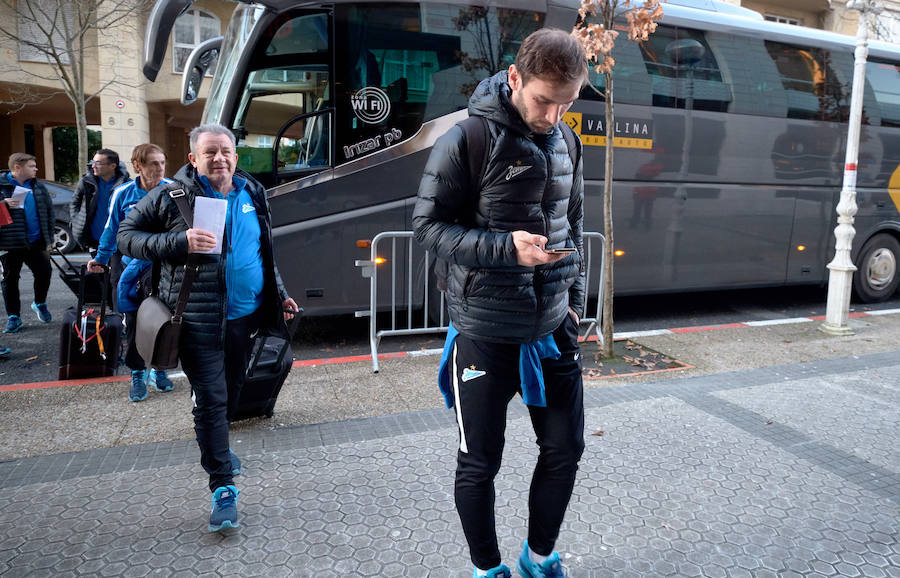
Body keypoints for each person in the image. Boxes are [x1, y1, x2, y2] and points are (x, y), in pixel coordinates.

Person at [413, 29, 587, 578]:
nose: (555, 115)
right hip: (485, 331)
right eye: (544, 100)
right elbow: (425, 227)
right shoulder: (465, 139)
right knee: (480, 462)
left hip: (552, 327)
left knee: (564, 450)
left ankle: (538, 558)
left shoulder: (567, 140)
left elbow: (573, 222)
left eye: (568, 103)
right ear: (514, 78)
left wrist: (575, 300)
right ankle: (488, 570)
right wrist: (503, 248)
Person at [118, 123, 297, 532]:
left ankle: (217, 439)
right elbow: (127, 236)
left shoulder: (252, 192)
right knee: (213, 400)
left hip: (245, 317)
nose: (219, 158)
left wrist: (279, 293)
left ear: (235, 155)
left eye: (225, 151)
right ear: (193, 158)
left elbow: (261, 251)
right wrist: (178, 243)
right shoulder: (171, 196)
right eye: (209, 152)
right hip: (197, 321)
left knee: (232, 392)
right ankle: (222, 486)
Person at [87, 144, 176, 402]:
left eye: (162, 163)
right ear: (137, 166)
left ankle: (160, 368)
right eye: (152, 164)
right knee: (135, 321)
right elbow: (111, 229)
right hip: (131, 268)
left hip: (166, 267)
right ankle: (138, 372)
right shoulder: (123, 193)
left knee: (166, 321)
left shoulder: (174, 189)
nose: (159, 169)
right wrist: (101, 259)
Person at [0, 153, 55, 335]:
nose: (36, 169)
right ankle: (13, 317)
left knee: (44, 272)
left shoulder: (38, 186)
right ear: (17, 167)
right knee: (10, 279)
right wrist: (3, 203)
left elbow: (48, 212)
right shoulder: (2, 186)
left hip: (36, 241)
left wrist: (49, 238)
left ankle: (39, 303)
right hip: (10, 243)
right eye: (32, 166)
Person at [70, 148, 129, 252]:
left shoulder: (127, 184)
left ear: (112, 166)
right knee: (98, 268)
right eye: (93, 162)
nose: (93, 166)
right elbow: (75, 203)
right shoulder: (86, 182)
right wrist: (76, 220)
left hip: (118, 240)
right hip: (94, 240)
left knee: (116, 268)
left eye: (98, 163)